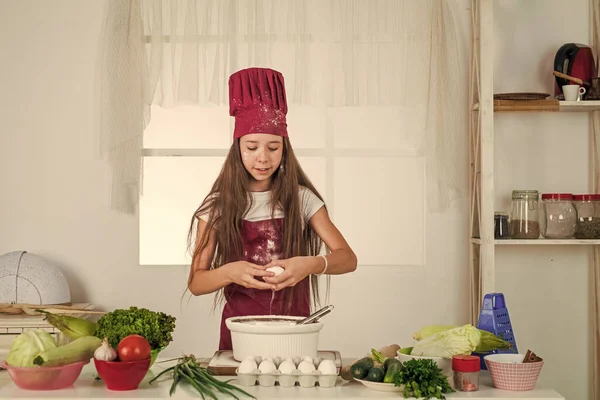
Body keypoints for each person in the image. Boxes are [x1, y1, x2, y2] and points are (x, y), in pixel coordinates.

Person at [186, 67, 357, 350]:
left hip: (295, 333)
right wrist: (230, 272)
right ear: (237, 148)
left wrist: (311, 263)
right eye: (252, 147)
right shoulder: (218, 206)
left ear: (285, 148)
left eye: (273, 147)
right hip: (239, 336)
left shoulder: (302, 199)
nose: (262, 158)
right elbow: (196, 282)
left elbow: (348, 259)